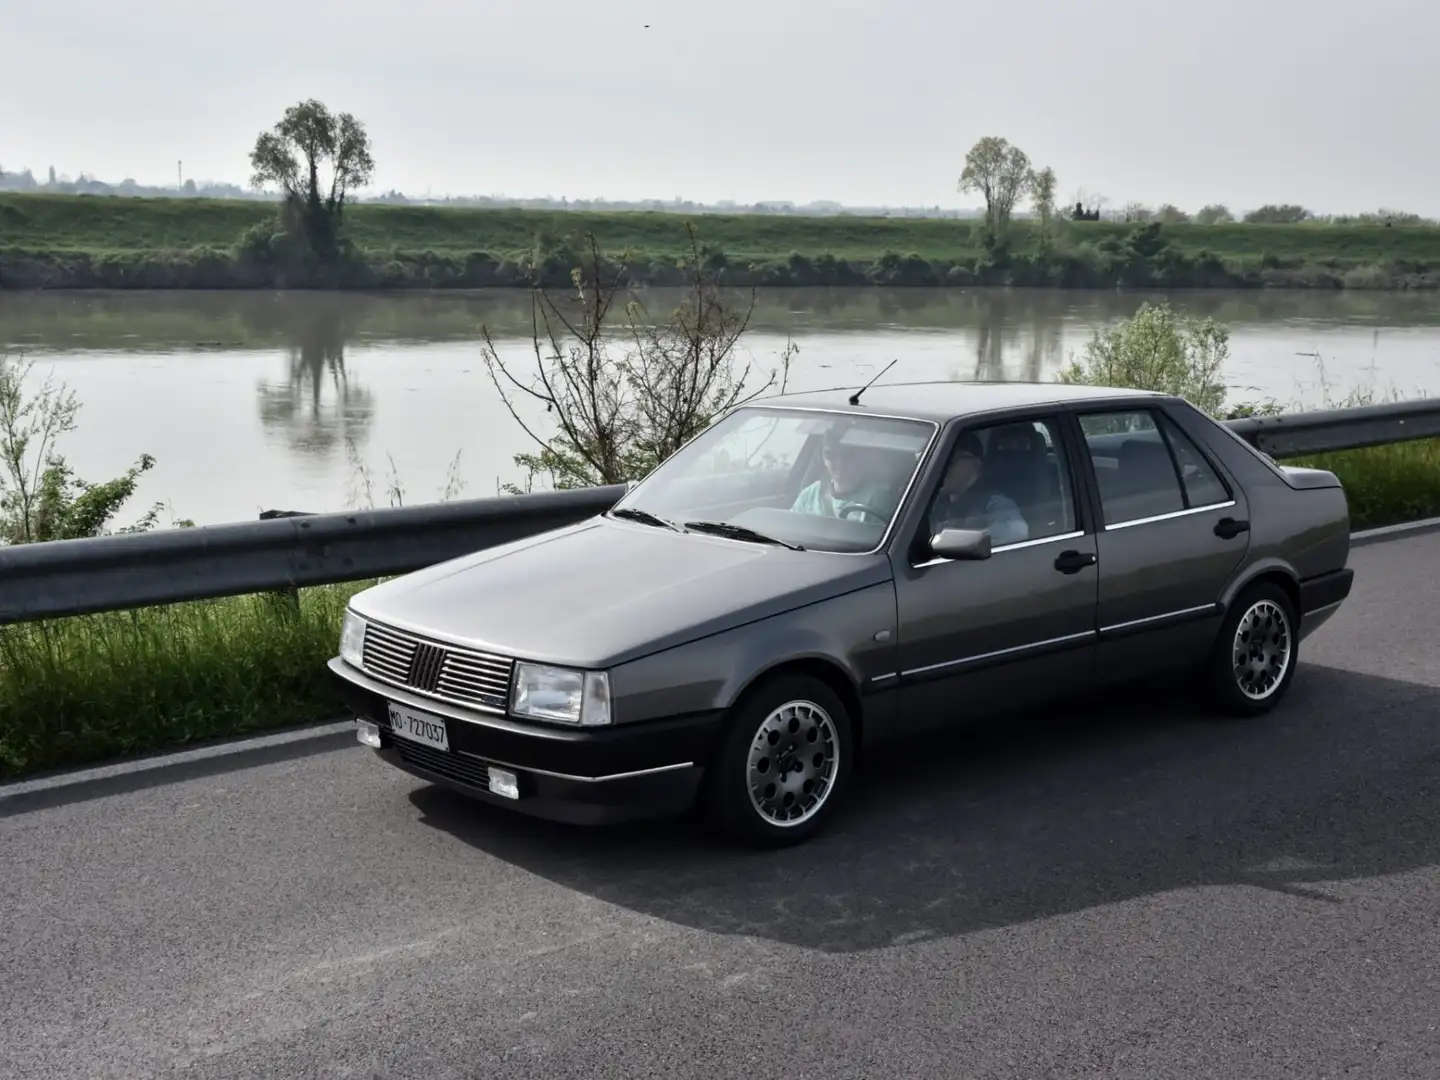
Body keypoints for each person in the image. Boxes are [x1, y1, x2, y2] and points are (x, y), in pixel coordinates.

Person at [927, 431, 1028, 545]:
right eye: (940, 461)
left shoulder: (994, 502)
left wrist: (967, 539)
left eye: (952, 461)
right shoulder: (931, 500)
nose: (944, 467)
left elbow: (1018, 531)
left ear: (976, 464)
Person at [791, 432, 898, 523]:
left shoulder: (878, 498)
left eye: (848, 455)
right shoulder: (811, 493)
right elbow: (790, 528)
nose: (839, 463)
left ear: (861, 457)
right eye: (830, 455)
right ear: (822, 459)